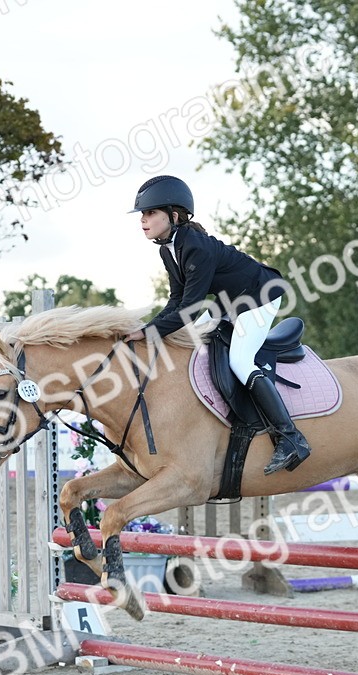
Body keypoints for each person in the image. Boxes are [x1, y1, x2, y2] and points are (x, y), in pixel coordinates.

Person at [123, 175, 311, 475]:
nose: (143, 220)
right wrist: (148, 329)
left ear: (173, 216)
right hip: (230, 300)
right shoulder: (167, 249)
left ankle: (291, 439)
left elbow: (191, 307)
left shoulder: (195, 246)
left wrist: (149, 332)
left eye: (150, 213)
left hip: (260, 295)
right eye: (143, 215)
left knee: (240, 359)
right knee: (199, 349)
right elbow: (176, 300)